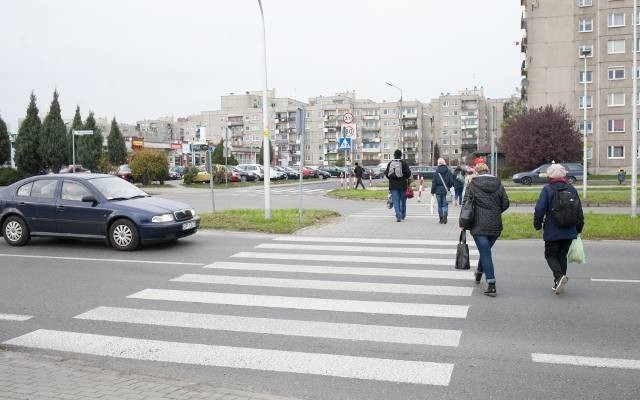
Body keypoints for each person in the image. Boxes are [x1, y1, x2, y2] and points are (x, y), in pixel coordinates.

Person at [533, 163, 584, 295]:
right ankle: (559, 281)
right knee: (562, 256)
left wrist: (537, 225)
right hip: (570, 229)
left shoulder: (547, 189)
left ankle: (559, 277)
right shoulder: (572, 189)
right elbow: (579, 210)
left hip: (552, 229)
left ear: (549, 176)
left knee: (550, 255)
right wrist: (579, 228)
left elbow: (539, 209)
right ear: (565, 175)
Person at [462, 163, 510, 296]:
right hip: (495, 226)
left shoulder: (472, 184)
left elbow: (465, 203)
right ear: (488, 171)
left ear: (477, 172)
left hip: (478, 225)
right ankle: (478, 273)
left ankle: (491, 284)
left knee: (485, 253)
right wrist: (496, 211)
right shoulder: (498, 184)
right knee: (486, 251)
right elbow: (506, 203)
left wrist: (463, 222)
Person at [385, 149, 412, 222]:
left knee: (395, 201)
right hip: (402, 185)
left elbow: (386, 173)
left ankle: (398, 215)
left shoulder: (390, 163)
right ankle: (403, 215)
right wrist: (404, 177)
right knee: (403, 201)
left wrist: (391, 178)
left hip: (393, 185)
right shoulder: (403, 163)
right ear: (401, 155)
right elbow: (408, 173)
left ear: (394, 155)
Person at [431, 158, 454, 224]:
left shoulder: (436, 172)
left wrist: (432, 191)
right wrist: (448, 186)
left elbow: (434, 183)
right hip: (446, 191)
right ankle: (445, 217)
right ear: (444, 163)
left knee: (439, 205)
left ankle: (441, 219)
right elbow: (451, 182)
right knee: (445, 205)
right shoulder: (449, 171)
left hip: (438, 191)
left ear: (438, 164)